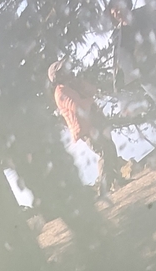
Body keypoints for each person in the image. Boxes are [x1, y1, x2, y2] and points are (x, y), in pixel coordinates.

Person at [47, 58, 126, 192]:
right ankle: (104, 188)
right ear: (57, 77)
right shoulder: (61, 92)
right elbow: (79, 107)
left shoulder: (70, 85)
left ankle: (116, 181)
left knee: (109, 147)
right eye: (62, 70)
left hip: (94, 123)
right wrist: (87, 97)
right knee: (104, 150)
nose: (67, 70)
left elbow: (92, 91)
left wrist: (80, 84)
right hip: (86, 129)